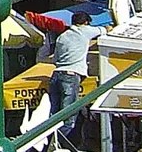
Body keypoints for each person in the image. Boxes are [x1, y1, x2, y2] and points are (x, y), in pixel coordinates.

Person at [45, 11, 106, 140]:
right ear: (85, 23)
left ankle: (49, 141)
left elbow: (55, 59)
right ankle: (57, 146)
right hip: (70, 76)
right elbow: (104, 30)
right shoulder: (84, 31)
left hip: (55, 76)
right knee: (68, 119)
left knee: (54, 118)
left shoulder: (61, 36)